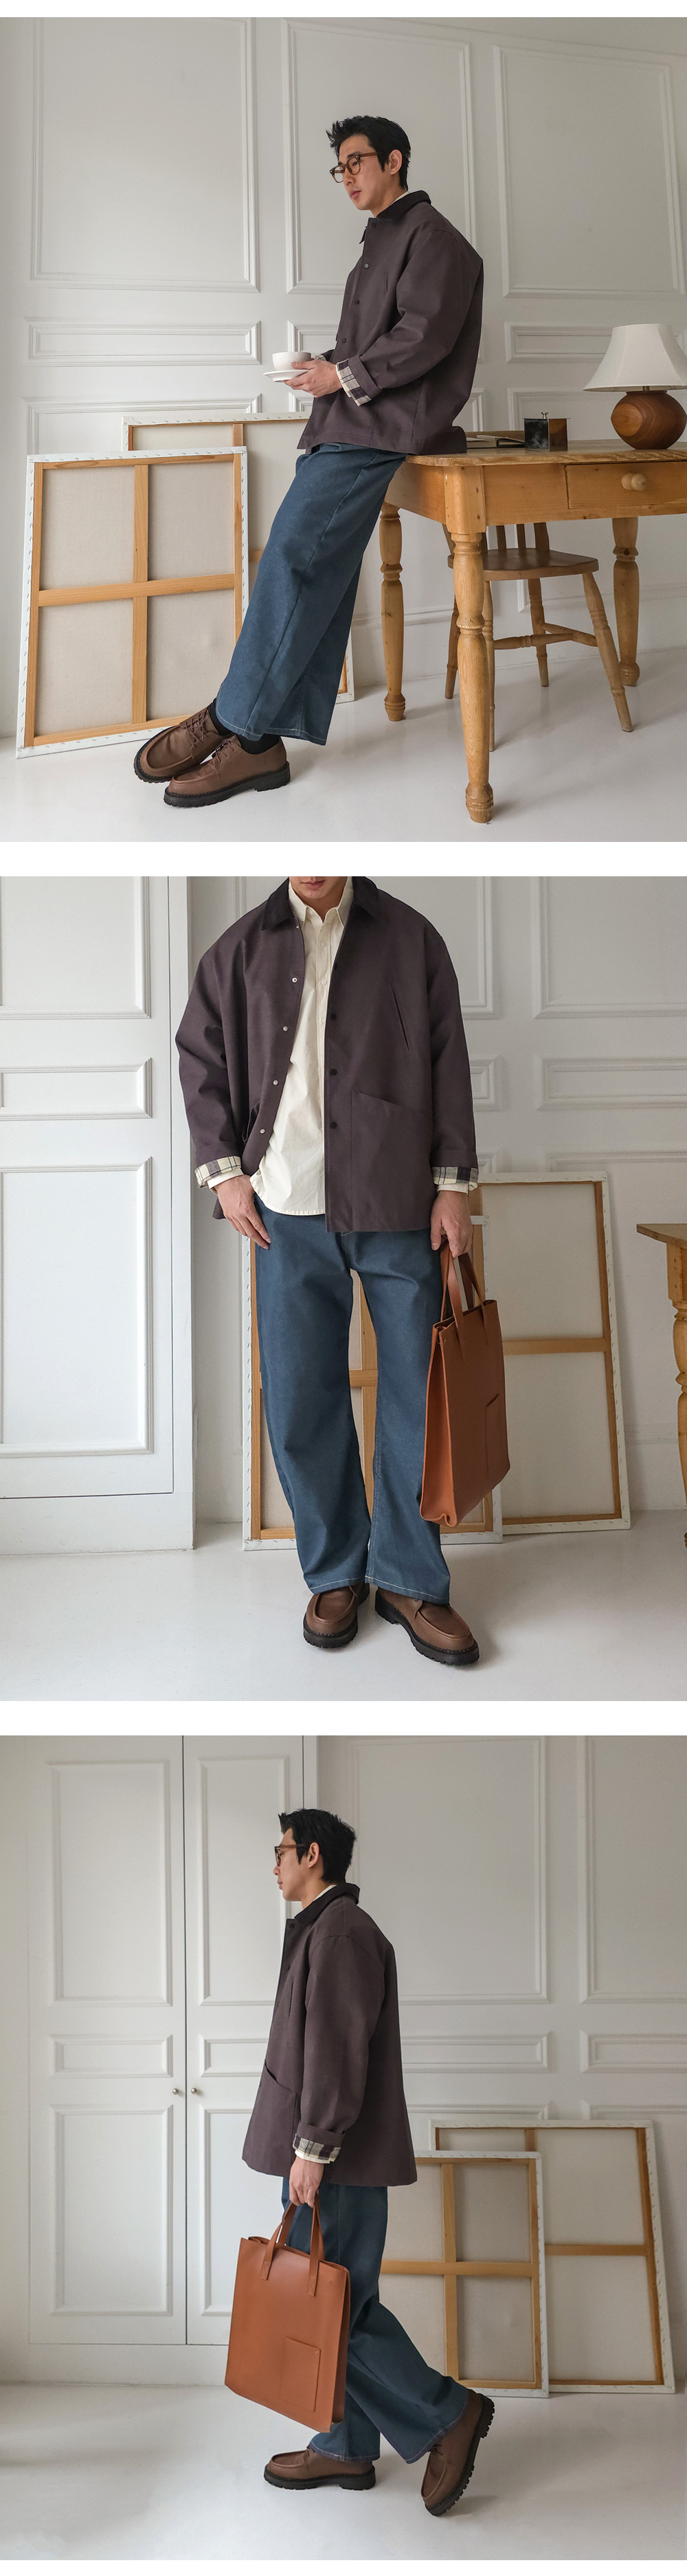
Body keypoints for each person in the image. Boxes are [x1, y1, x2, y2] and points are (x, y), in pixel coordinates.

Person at [133, 115, 483, 810]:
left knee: (294, 560)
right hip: (352, 422)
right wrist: (323, 366)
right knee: (312, 574)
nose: (346, 176)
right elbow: (380, 341)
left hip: (381, 427)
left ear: (394, 160)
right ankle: (258, 737)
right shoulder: (379, 239)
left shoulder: (435, 237)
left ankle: (235, 723)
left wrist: (340, 376)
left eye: (357, 162)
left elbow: (424, 337)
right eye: (339, 168)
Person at [176, 873, 480, 1667]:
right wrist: (224, 1175)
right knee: (300, 1397)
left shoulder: (412, 939)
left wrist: (453, 1186)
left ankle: (410, 1579)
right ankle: (336, 1571)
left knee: (417, 1394)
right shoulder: (238, 950)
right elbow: (199, 1056)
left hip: (397, 1201)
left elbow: (448, 1060)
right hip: (283, 1207)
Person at [242, 1808, 494, 2511]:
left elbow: (336, 2050)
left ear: (312, 1854)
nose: (274, 1864)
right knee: (335, 2302)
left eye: (281, 1851)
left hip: (335, 2160)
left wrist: (314, 2147)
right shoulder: (326, 1927)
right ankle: (345, 2445)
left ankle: (450, 2413)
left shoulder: (342, 1932)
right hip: (329, 2156)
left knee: (333, 2310)